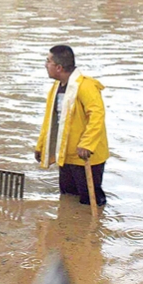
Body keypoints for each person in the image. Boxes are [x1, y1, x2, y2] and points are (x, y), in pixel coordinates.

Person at [34, 45, 109, 207]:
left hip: (86, 155)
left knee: (91, 201)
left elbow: (97, 116)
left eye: (48, 61)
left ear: (59, 68)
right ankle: (69, 228)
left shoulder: (86, 86)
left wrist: (87, 144)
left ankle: (93, 229)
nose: (45, 65)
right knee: (67, 198)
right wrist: (41, 145)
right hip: (66, 153)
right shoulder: (56, 88)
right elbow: (51, 120)